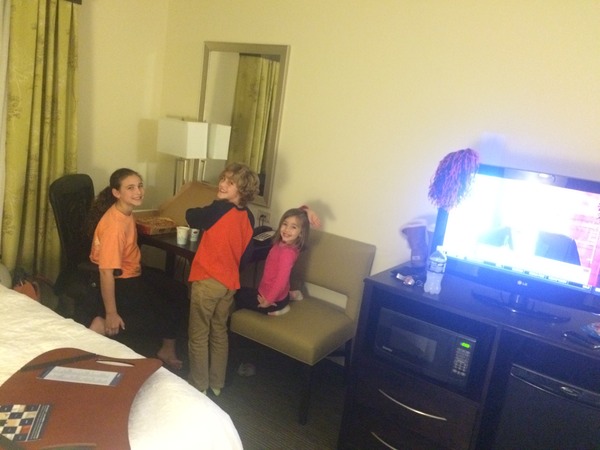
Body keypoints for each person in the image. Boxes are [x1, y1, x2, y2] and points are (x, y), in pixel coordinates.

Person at [86, 168, 187, 370]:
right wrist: (111, 313)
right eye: (130, 188)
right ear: (116, 192)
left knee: (177, 290)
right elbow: (106, 272)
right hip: (121, 279)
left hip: (133, 271)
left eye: (140, 186)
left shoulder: (125, 211)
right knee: (160, 310)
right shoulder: (115, 227)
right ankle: (102, 324)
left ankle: (167, 350)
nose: (138, 192)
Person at [185, 162, 260, 396]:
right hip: (229, 283)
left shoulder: (218, 209)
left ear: (242, 189)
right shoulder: (248, 216)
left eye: (230, 182)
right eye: (223, 179)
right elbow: (246, 254)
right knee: (219, 331)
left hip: (208, 279)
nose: (222, 184)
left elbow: (191, 216)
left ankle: (199, 384)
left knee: (198, 334)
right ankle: (217, 383)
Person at [235, 206, 320, 316]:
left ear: (301, 233)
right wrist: (307, 211)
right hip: (277, 293)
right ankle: (289, 296)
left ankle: (279, 309)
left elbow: (281, 280)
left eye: (293, 227)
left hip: (273, 299)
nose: (287, 230)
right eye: (285, 224)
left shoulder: (287, 254)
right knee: (243, 291)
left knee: (237, 296)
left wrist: (269, 300)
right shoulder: (286, 243)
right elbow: (297, 216)